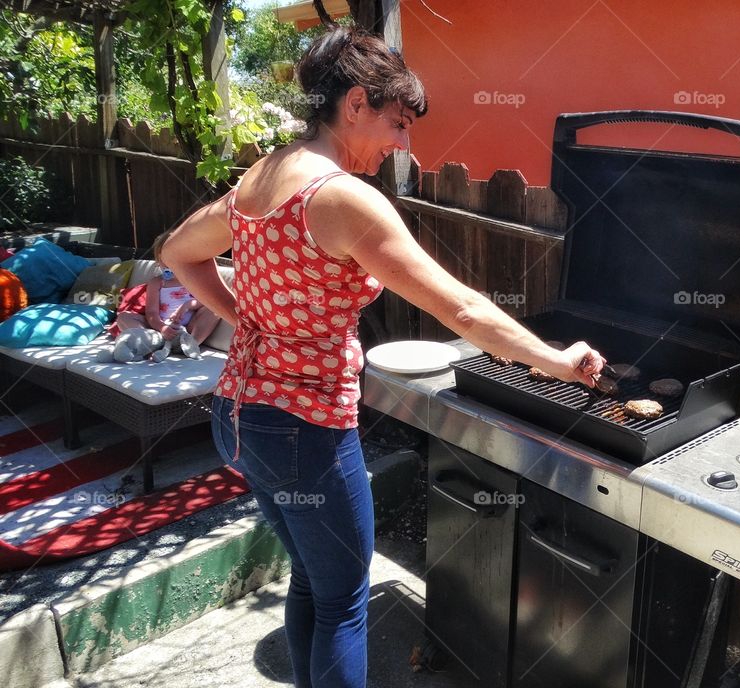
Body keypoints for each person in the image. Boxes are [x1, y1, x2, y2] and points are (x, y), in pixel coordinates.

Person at [161, 26, 605, 688]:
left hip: (239, 414)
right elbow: (463, 310)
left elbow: (178, 252)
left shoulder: (266, 173)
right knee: (344, 600)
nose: (403, 146)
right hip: (303, 427)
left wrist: (251, 323)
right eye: (397, 126)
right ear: (356, 104)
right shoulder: (341, 198)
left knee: (315, 580)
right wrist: (555, 361)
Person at [115, 230, 220, 345]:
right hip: (160, 329)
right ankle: (151, 343)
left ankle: (191, 344)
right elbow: (151, 313)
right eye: (162, 261)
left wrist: (188, 305)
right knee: (124, 317)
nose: (167, 265)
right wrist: (162, 328)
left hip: (189, 328)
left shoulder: (194, 279)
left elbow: (207, 301)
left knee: (215, 309)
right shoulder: (157, 282)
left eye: (172, 261)